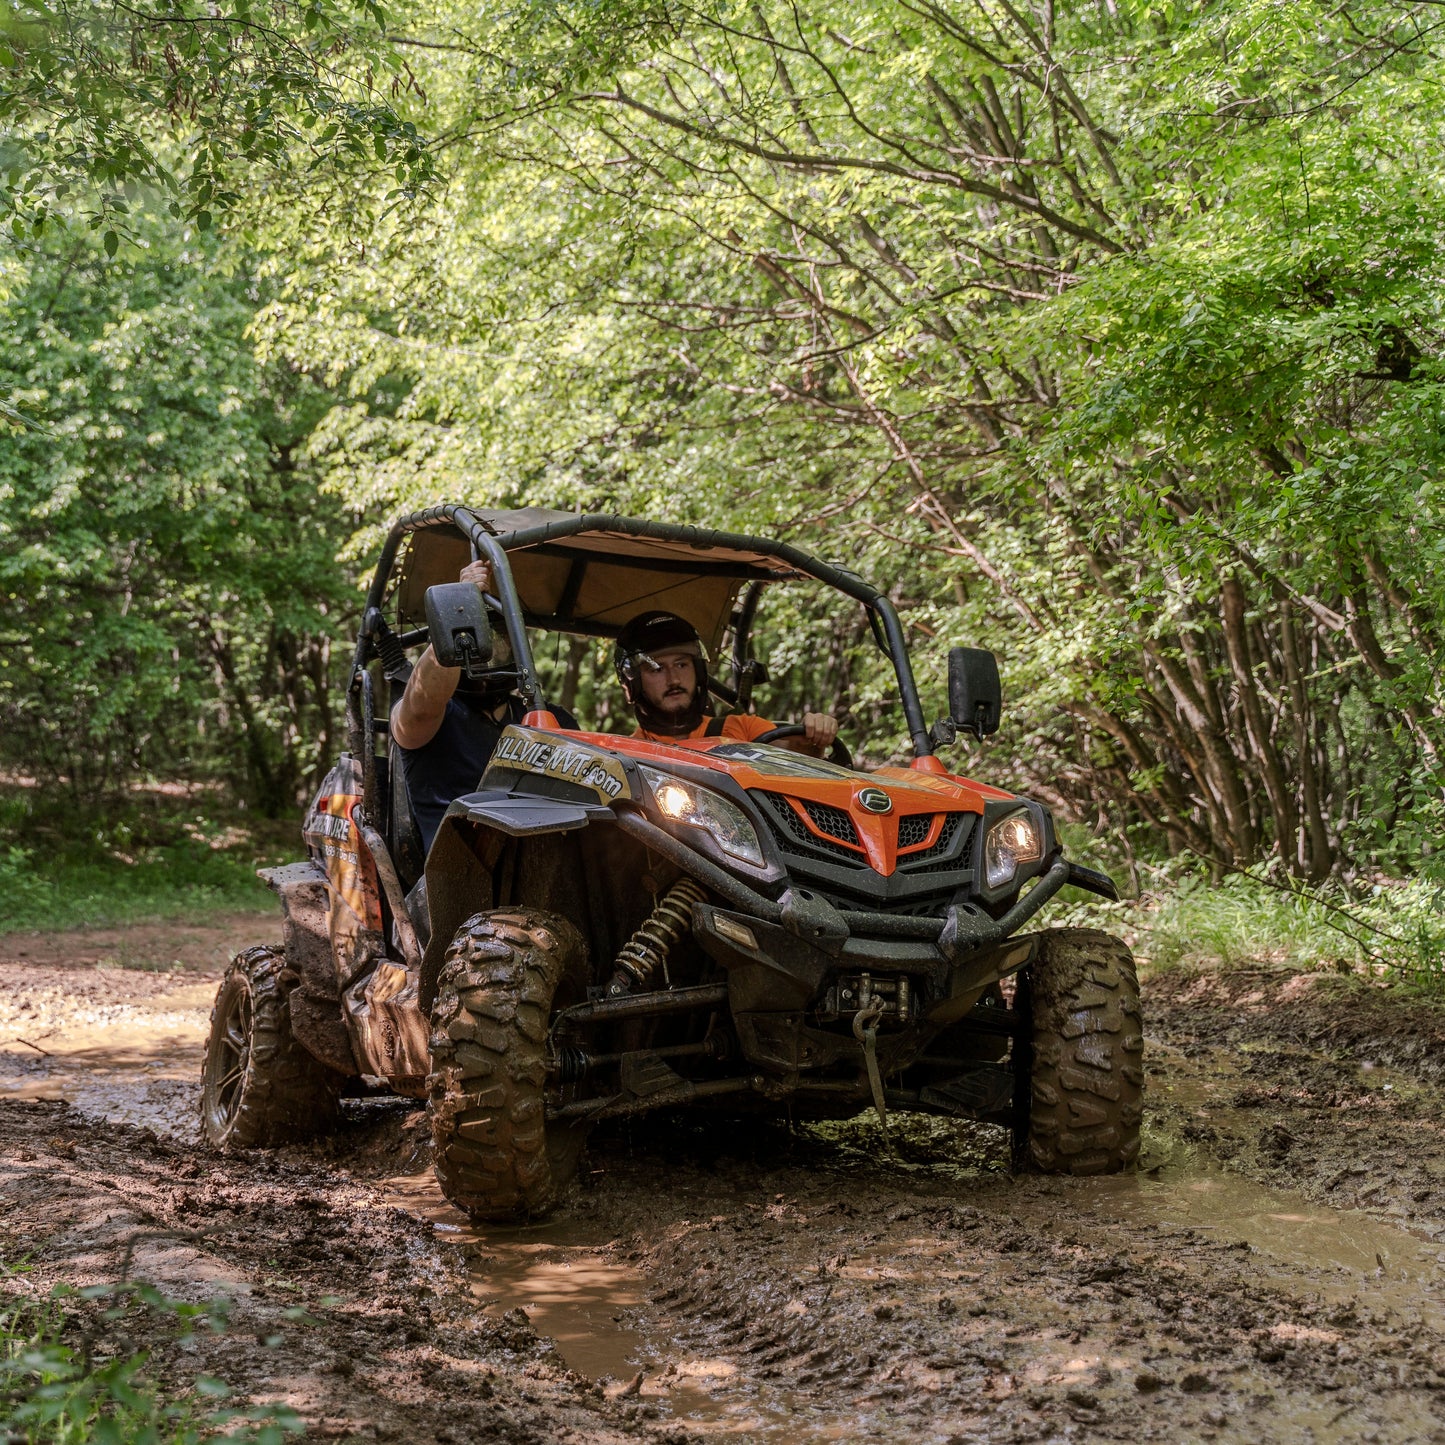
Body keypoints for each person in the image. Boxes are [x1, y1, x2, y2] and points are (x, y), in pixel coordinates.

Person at [392, 559, 576, 852]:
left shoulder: (551, 719)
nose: (487, 653)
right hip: (458, 875)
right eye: (472, 640)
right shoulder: (432, 715)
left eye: (499, 641)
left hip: (547, 863)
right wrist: (459, 606)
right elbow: (424, 699)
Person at [614, 610, 838, 753]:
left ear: (699, 671)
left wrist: (815, 735)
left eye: (682, 664)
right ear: (633, 682)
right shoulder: (627, 754)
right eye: (657, 669)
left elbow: (797, 754)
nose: (673, 679)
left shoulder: (742, 729)